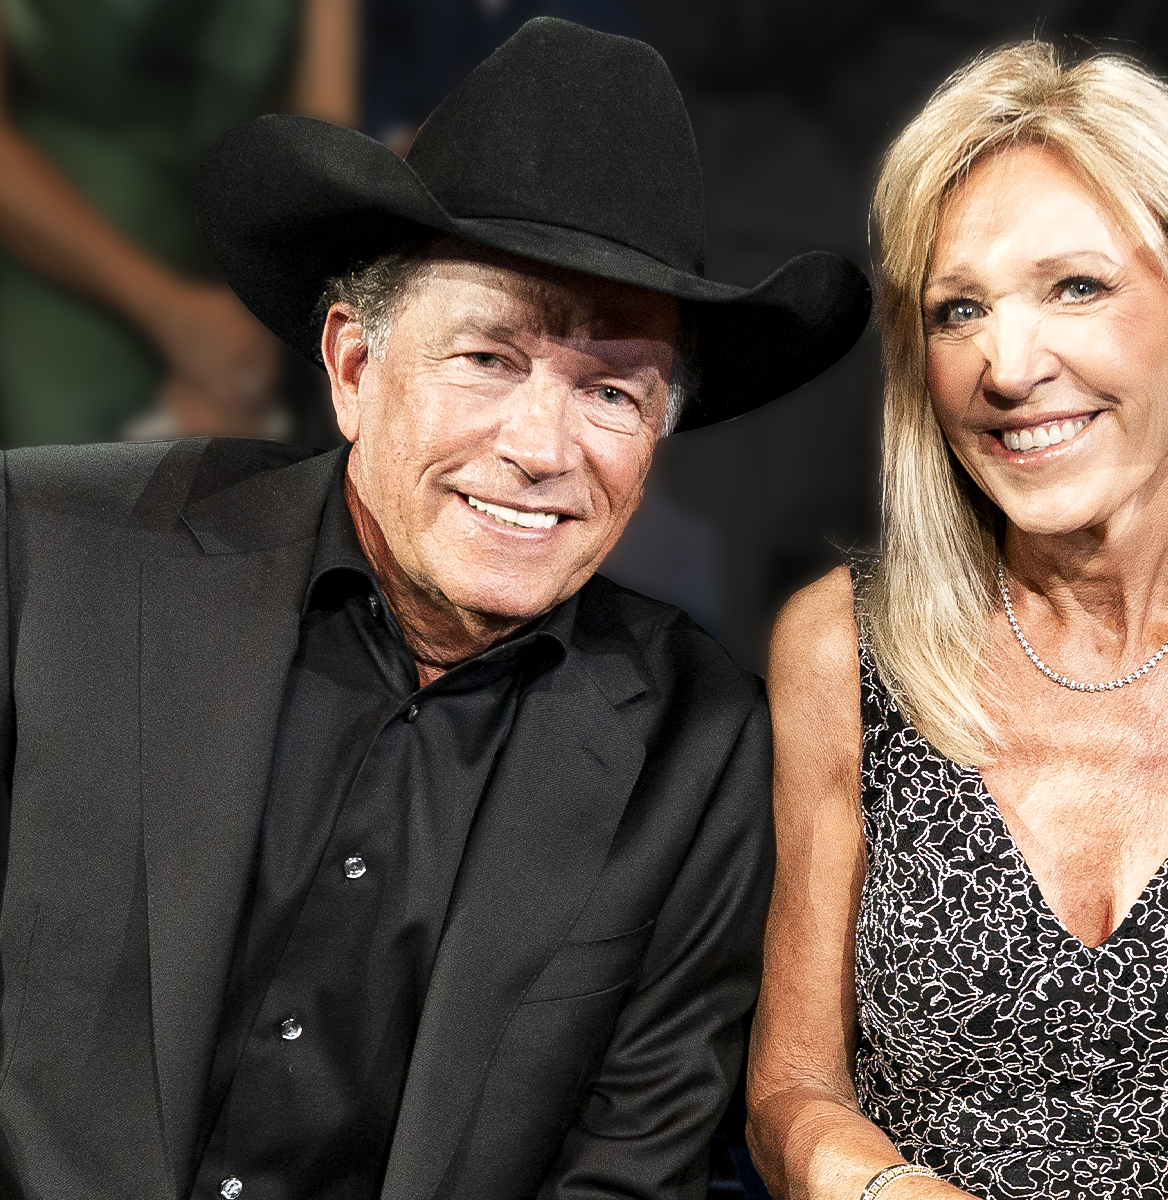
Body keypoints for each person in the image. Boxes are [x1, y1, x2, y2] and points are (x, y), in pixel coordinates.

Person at [0, 18, 869, 1198]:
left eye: (611, 390)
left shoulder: (699, 747)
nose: (538, 448)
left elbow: (628, 1172)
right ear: (354, 368)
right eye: (489, 360)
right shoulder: (48, 555)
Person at [745, 43, 1168, 1200]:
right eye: (958, 310)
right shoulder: (839, 646)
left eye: (1076, 287)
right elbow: (790, 1093)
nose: (1007, 368)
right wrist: (880, 1189)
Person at [0, 0, 356, 446]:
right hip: (53, 251)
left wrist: (252, 331)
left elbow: (322, 139)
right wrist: (175, 317)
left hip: (249, 264)